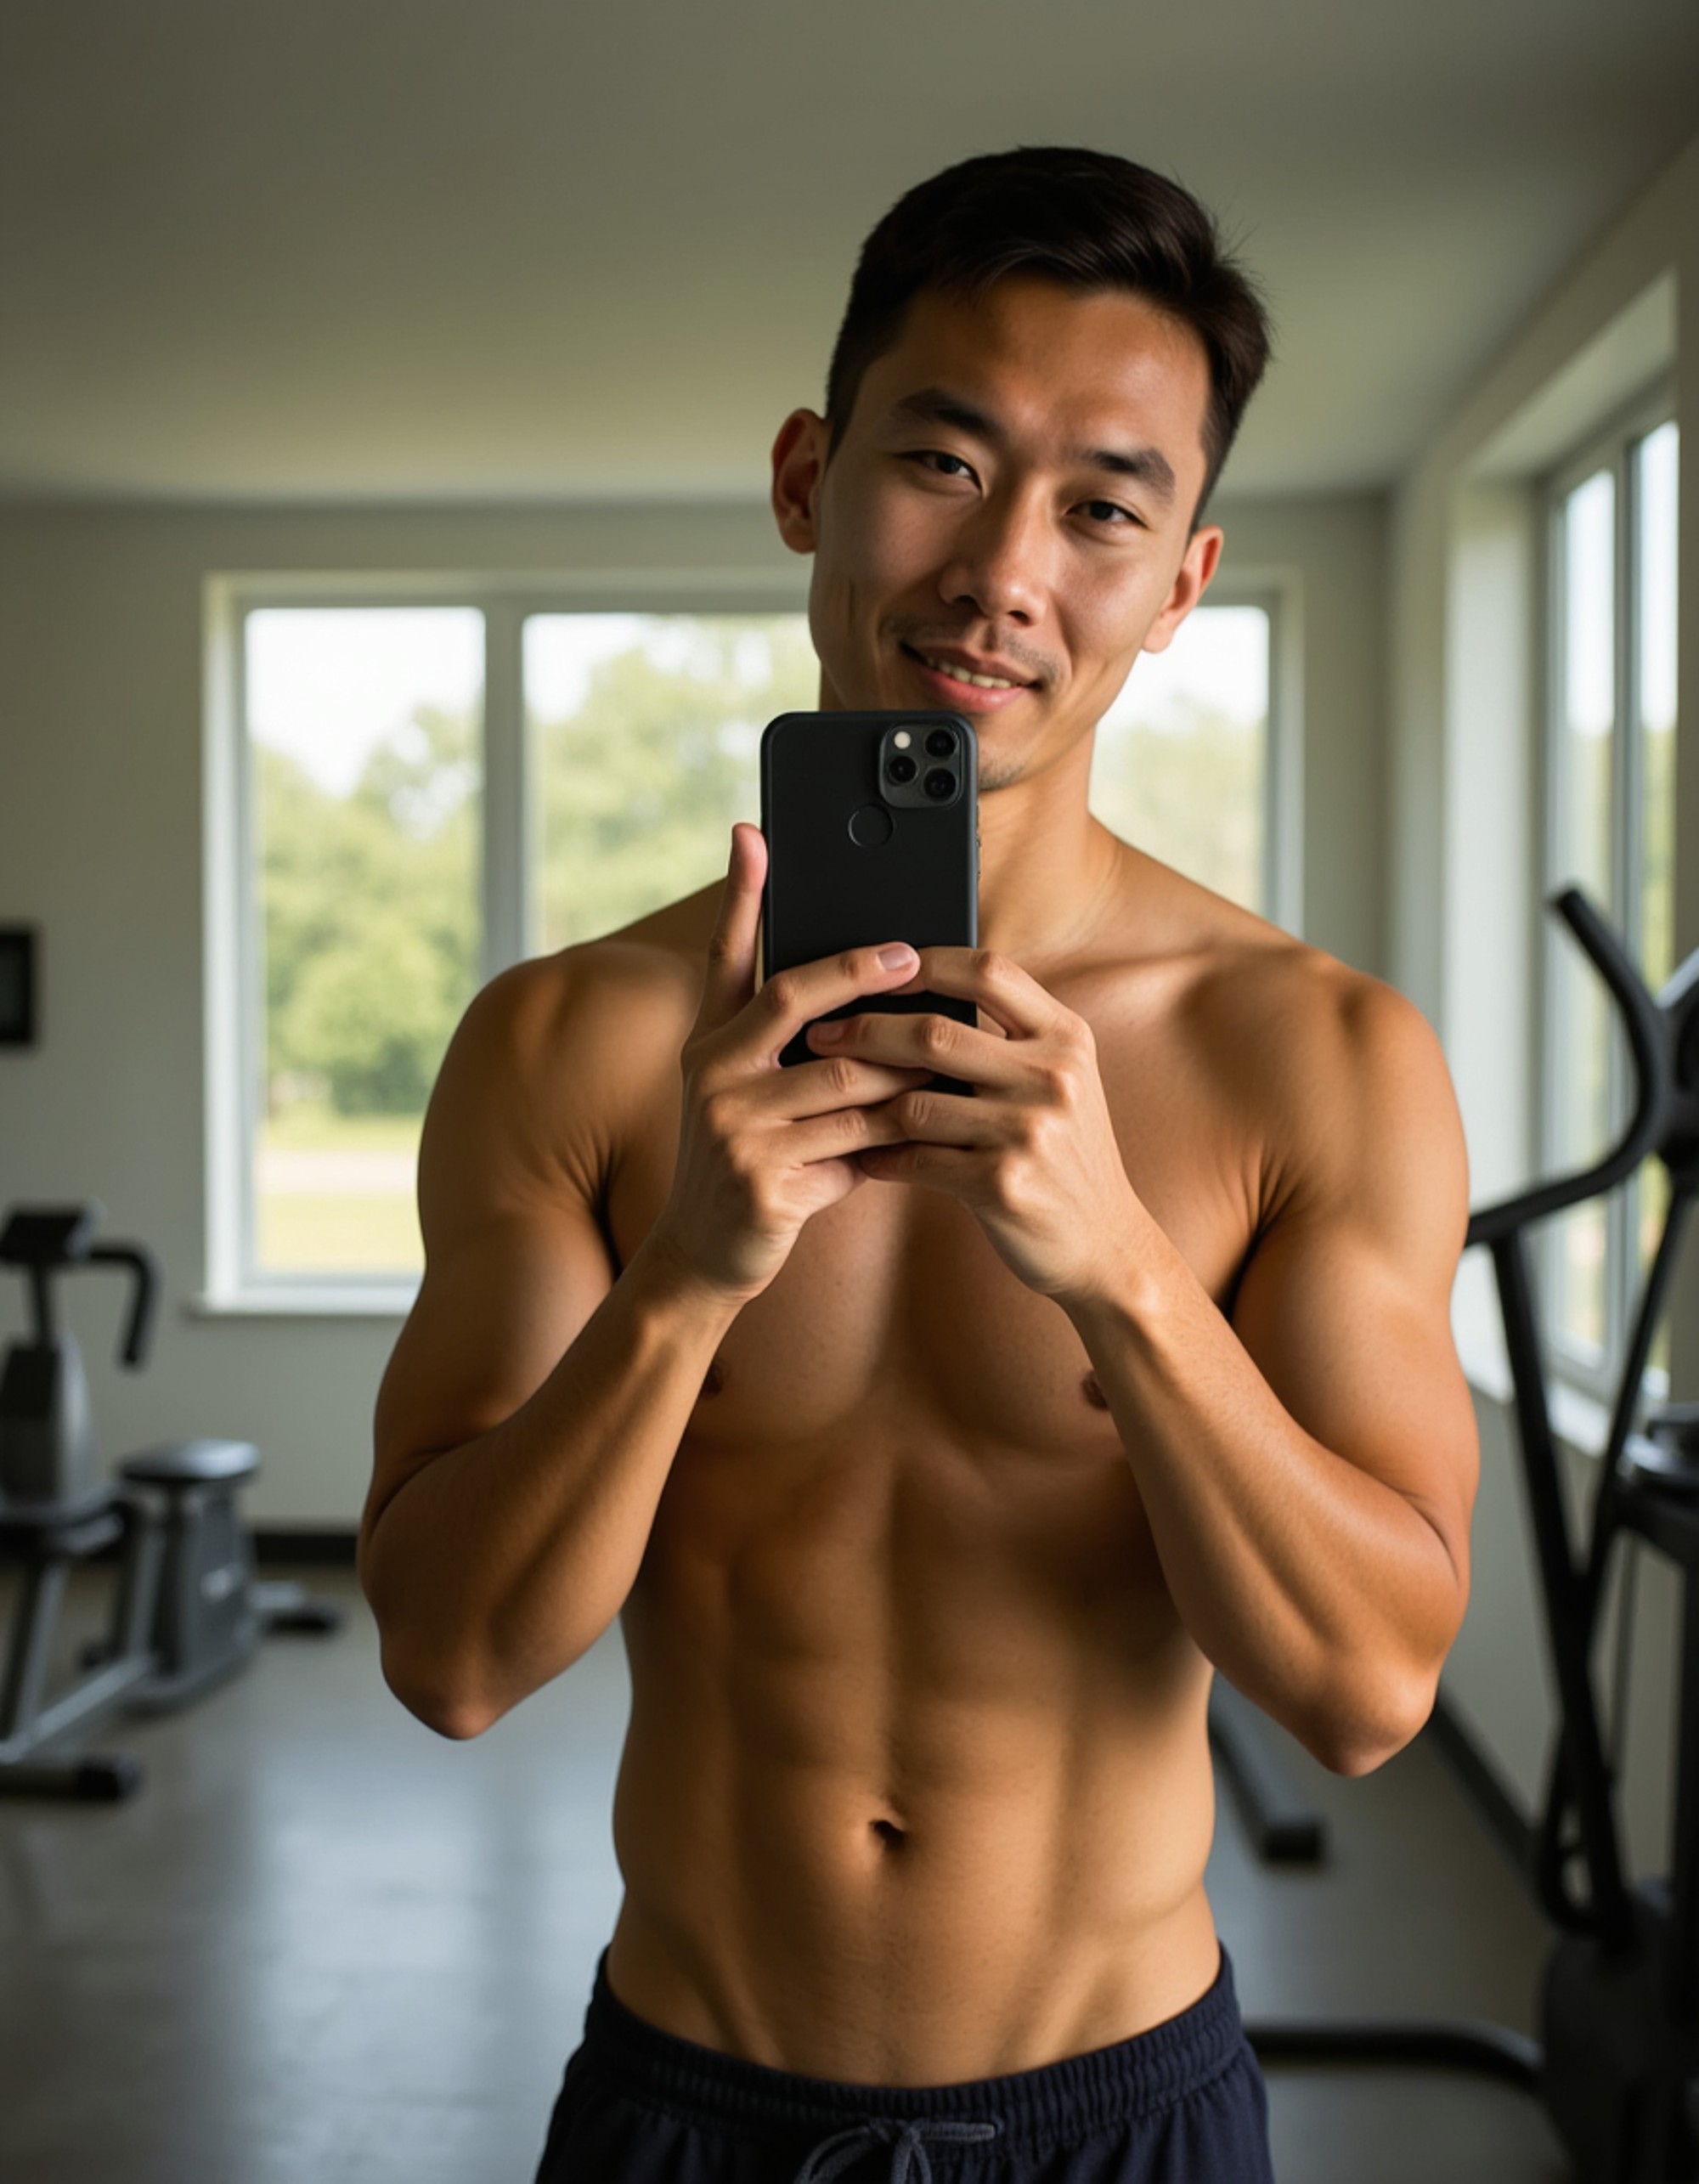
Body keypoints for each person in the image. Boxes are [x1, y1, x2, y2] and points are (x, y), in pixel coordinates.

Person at [358, 146, 1479, 2183]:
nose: (1004, 574)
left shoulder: (1313, 1058)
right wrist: (687, 1278)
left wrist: (1123, 1268)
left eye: (1101, 508)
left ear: (1180, 582)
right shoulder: (566, 1047)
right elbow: (448, 1658)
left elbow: (1364, 1688)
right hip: (690, 2097)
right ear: (808, 477)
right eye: (943, 465)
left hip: (1117, 2107)